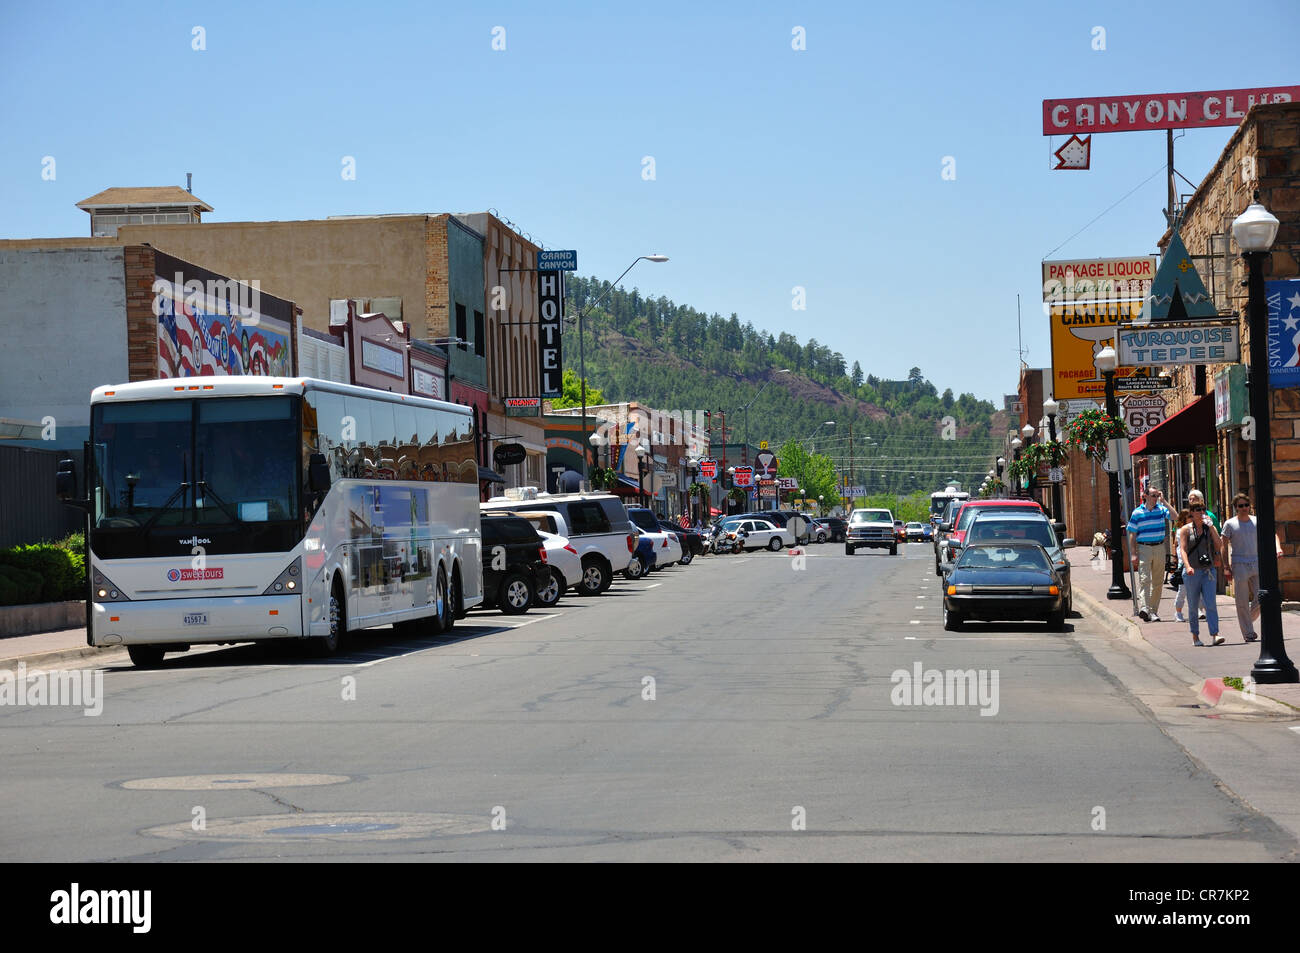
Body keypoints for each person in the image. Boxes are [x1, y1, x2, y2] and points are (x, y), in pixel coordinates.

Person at [1177, 501, 1224, 646]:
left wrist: (1212, 527)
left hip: (1208, 570)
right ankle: (1195, 636)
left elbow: (1219, 544)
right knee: (1193, 606)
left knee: (1210, 603)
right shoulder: (1185, 529)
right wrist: (1188, 566)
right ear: (1191, 512)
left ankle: (1215, 634)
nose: (1201, 512)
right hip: (1192, 572)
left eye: (1203, 509)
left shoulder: (1208, 528)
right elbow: (1183, 549)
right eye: (1198, 510)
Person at [1127, 486, 1174, 621]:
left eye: (1157, 495)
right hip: (1144, 548)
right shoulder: (1137, 513)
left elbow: (1175, 516)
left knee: (1158, 581)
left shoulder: (1161, 510)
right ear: (1145, 496)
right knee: (1144, 578)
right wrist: (1133, 553)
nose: (1155, 498)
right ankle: (1144, 608)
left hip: (1159, 547)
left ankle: (1153, 611)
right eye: (1153, 495)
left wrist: (1164, 501)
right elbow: (1132, 534)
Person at [1221, 493, 1262, 642]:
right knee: (1242, 601)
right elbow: (1223, 546)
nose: (1244, 508)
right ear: (1236, 508)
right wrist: (1226, 566)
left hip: (1257, 562)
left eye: (1246, 505)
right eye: (1240, 506)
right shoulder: (1230, 524)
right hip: (1239, 564)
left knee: (1262, 597)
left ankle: (1246, 622)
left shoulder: (1257, 521)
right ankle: (1248, 633)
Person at [1173, 490, 1212, 622]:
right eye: (1189, 517)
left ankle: (1202, 611)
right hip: (1185, 564)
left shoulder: (1204, 526)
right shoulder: (1182, 531)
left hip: (1200, 563)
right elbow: (1181, 549)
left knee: (1201, 591)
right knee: (1183, 591)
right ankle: (1178, 612)